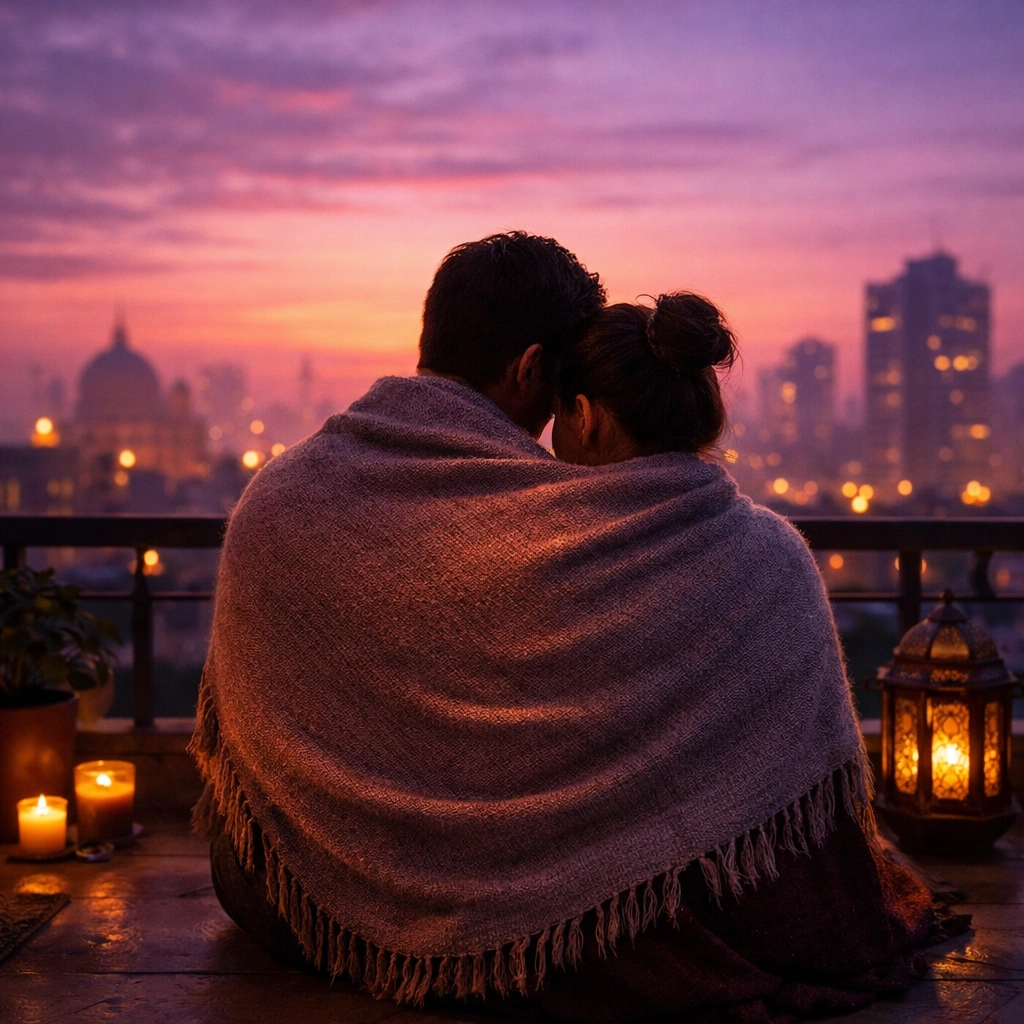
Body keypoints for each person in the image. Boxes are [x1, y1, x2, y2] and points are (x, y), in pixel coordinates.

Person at [192, 234, 965, 1023]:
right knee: (659, 902)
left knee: (240, 853)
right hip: (567, 915)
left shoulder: (277, 497)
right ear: (533, 370)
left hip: (310, 895)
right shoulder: (696, 546)